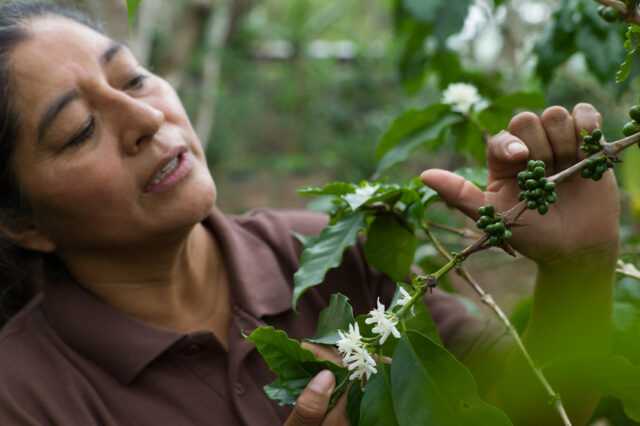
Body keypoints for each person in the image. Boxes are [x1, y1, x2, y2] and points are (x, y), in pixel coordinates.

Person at [0, 2, 619, 425]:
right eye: (79, 131)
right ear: (20, 222)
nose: (144, 119)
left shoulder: (329, 252)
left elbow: (531, 406)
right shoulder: (27, 396)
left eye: (132, 79)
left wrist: (581, 268)